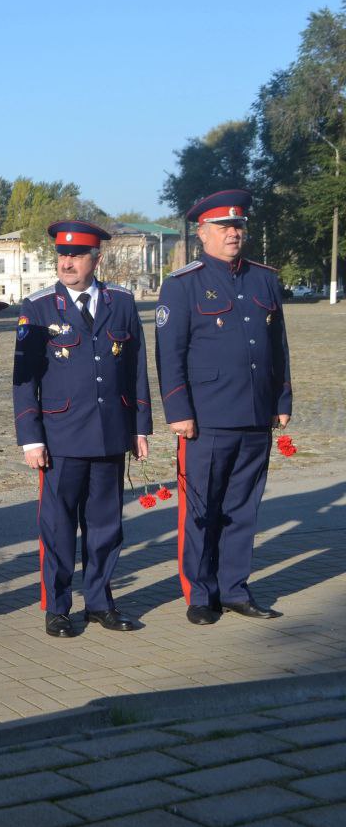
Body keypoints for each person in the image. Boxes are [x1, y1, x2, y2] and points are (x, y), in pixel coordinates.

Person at [155, 189, 291, 625]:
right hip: (207, 417)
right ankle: (200, 594)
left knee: (243, 507)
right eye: (224, 227)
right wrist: (179, 410)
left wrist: (281, 399)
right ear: (202, 233)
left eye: (238, 225)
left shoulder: (264, 279)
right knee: (202, 509)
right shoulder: (182, 284)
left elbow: (277, 346)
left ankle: (235, 588)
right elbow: (169, 355)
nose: (234, 233)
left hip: (254, 414)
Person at [13, 221, 151, 638]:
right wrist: (31, 438)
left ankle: (99, 602)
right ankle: (57, 608)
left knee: (106, 525)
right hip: (61, 436)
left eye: (76, 255)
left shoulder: (121, 302)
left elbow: (136, 369)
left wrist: (139, 427)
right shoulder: (38, 306)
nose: (67, 262)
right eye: (61, 255)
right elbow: (24, 379)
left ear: (97, 258)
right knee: (58, 528)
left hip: (110, 432)